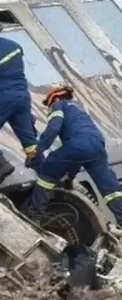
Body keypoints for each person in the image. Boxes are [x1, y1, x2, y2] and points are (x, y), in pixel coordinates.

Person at [26, 85, 122, 238]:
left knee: (47, 174)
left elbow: (53, 129)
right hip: (97, 146)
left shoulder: (58, 105)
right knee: (110, 190)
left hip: (77, 144)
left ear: (54, 98)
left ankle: (35, 216)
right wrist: (70, 178)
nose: (48, 108)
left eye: (48, 104)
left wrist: (37, 151)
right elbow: (77, 159)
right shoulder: (79, 109)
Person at [0, 26, 40, 183]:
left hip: (4, 97)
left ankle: (2, 166)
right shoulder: (14, 46)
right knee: (29, 141)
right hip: (22, 97)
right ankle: (51, 172)